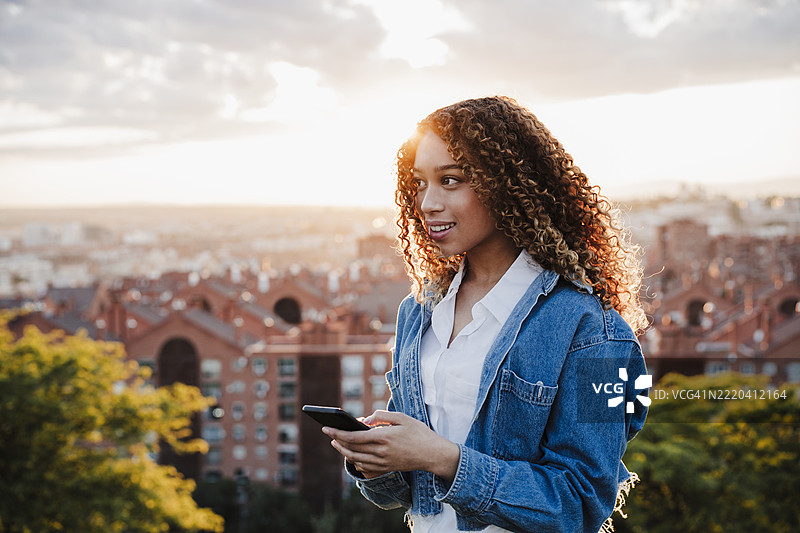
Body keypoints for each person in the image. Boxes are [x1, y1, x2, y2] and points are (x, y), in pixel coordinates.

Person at [323, 96, 649, 532]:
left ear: (509, 184)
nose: (427, 203)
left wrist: (439, 456)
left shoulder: (596, 330)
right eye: (420, 182)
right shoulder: (418, 313)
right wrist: (373, 459)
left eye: (451, 180)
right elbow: (406, 493)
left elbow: (583, 502)